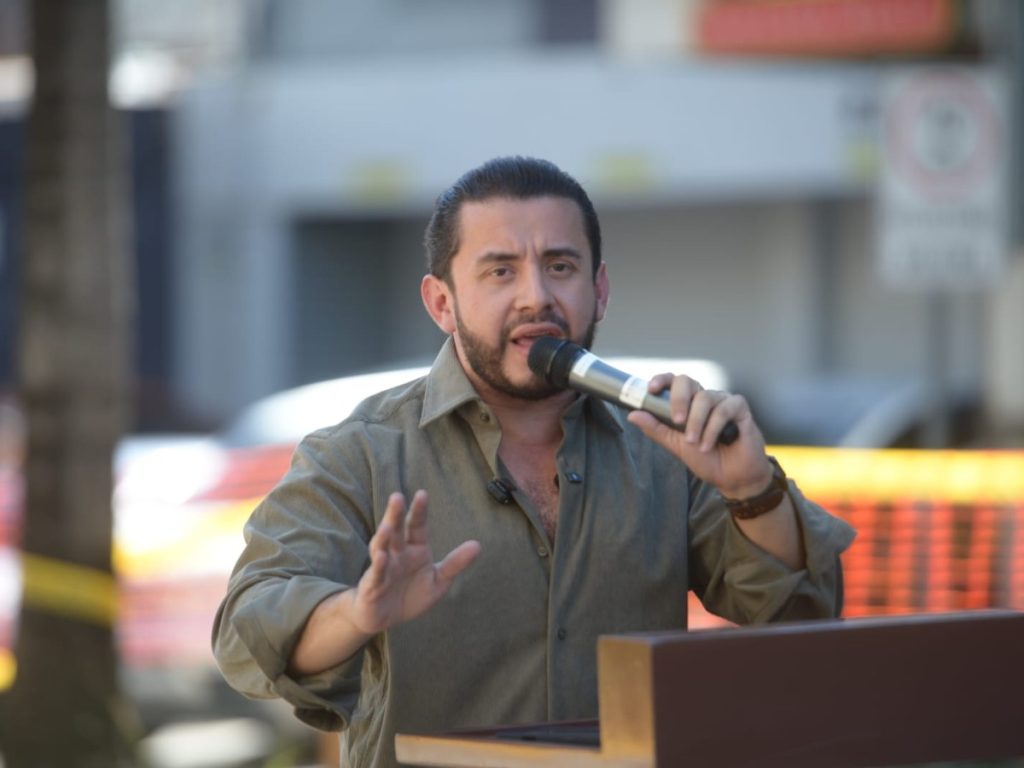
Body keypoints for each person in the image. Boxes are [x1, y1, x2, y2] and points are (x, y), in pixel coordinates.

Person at [212, 156, 856, 767]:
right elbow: (246, 635)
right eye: (500, 271)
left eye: (561, 266)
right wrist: (358, 612)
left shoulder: (666, 449)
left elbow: (801, 624)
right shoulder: (359, 453)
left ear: (599, 290)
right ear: (442, 303)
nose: (536, 296)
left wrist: (752, 491)